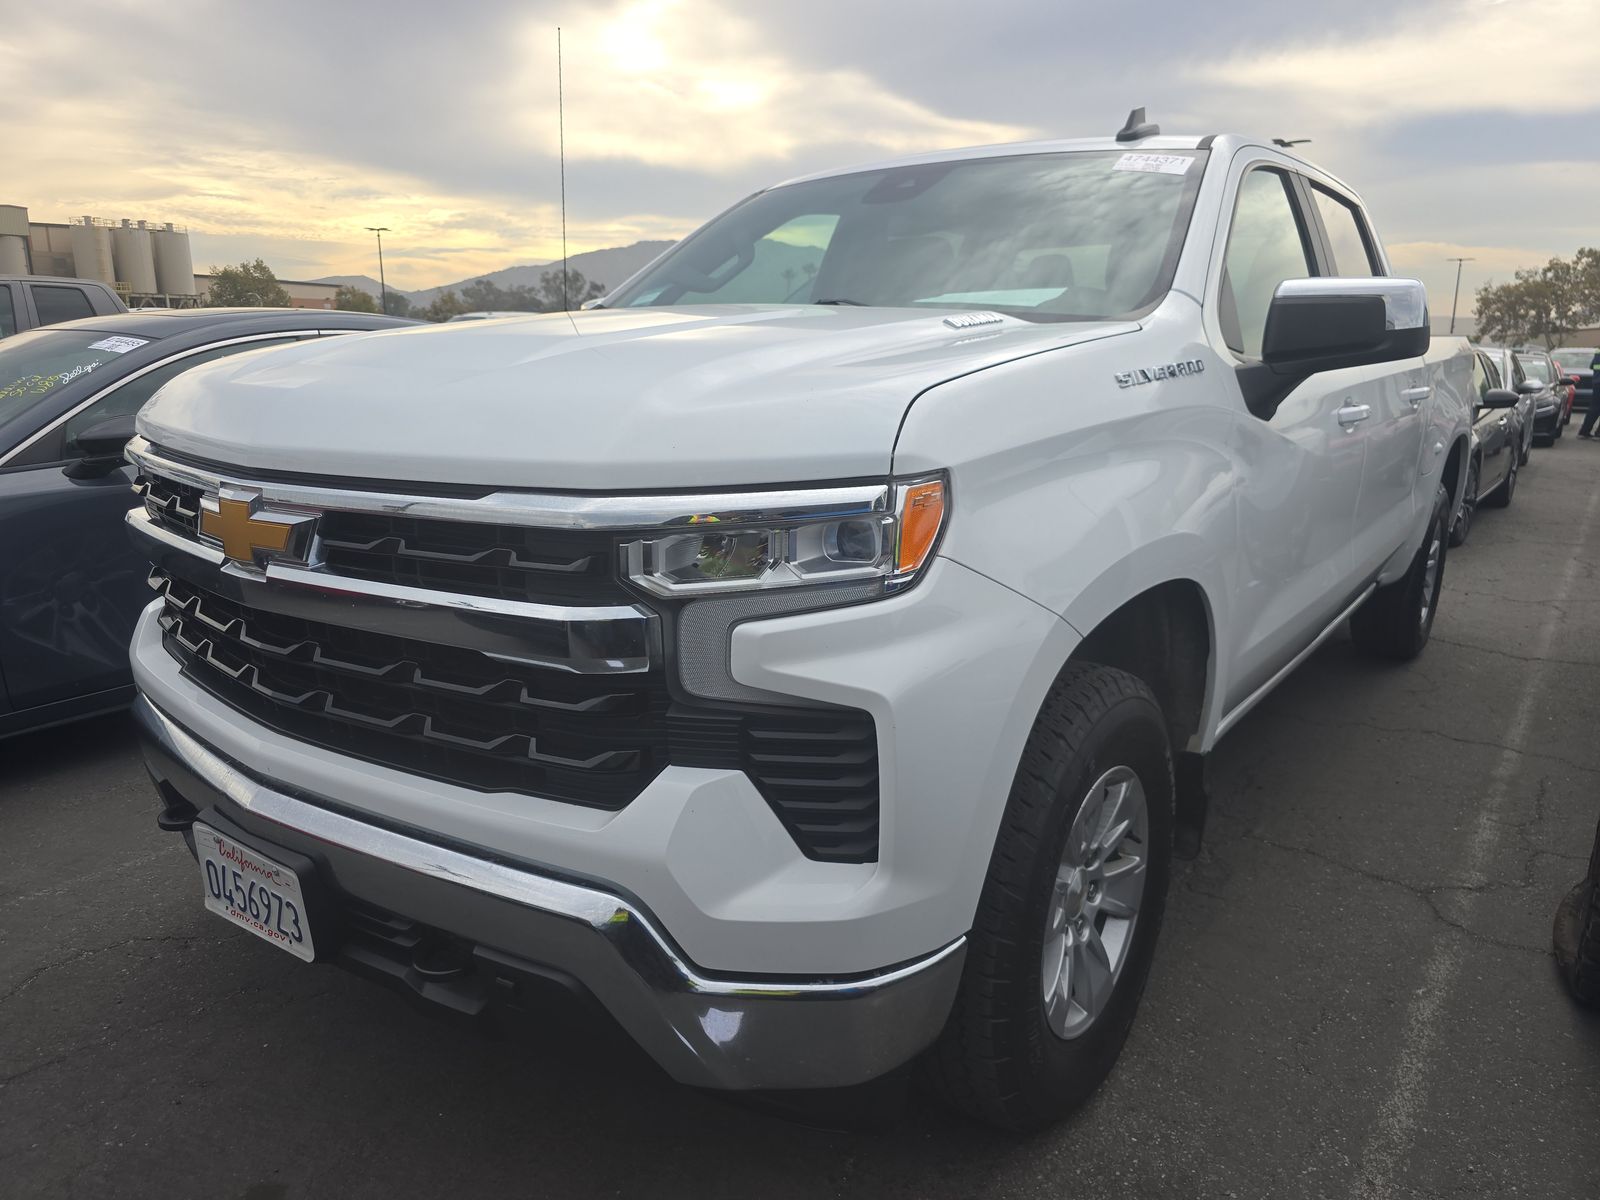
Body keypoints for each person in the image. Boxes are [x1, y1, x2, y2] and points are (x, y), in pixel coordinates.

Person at [1579, 348, 1600, 438]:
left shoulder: (1598, 352)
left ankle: (1584, 432)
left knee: (1594, 408)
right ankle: (1598, 434)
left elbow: (1592, 366)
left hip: (1597, 383)